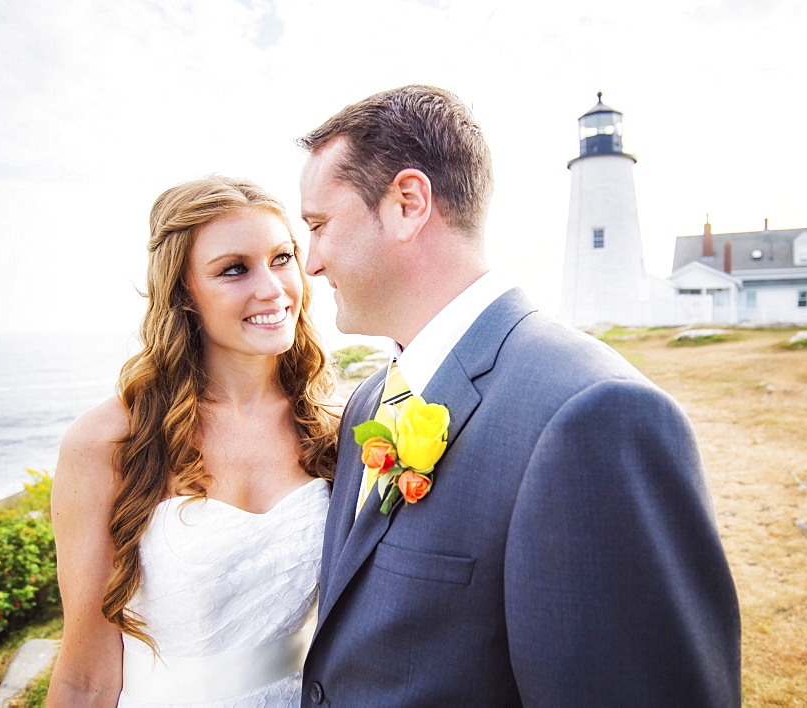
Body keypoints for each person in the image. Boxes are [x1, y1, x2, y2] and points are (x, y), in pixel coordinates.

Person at [297, 85, 741, 706]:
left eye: (319, 225)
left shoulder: (592, 415)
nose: (310, 263)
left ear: (407, 203)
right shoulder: (369, 404)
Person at [47, 176, 338, 707]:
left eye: (282, 258)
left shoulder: (330, 430)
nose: (273, 288)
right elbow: (86, 678)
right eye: (234, 269)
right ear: (183, 292)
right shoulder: (108, 442)